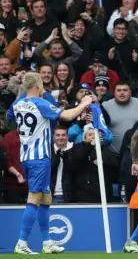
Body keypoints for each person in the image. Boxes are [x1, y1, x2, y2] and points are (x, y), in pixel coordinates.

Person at [9, 72, 93, 254]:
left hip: (27, 156)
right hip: (39, 158)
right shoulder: (40, 103)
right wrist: (84, 104)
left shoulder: (17, 104)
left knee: (46, 198)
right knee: (34, 197)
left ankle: (47, 242)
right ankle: (22, 242)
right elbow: (67, 115)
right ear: (38, 86)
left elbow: (10, 116)